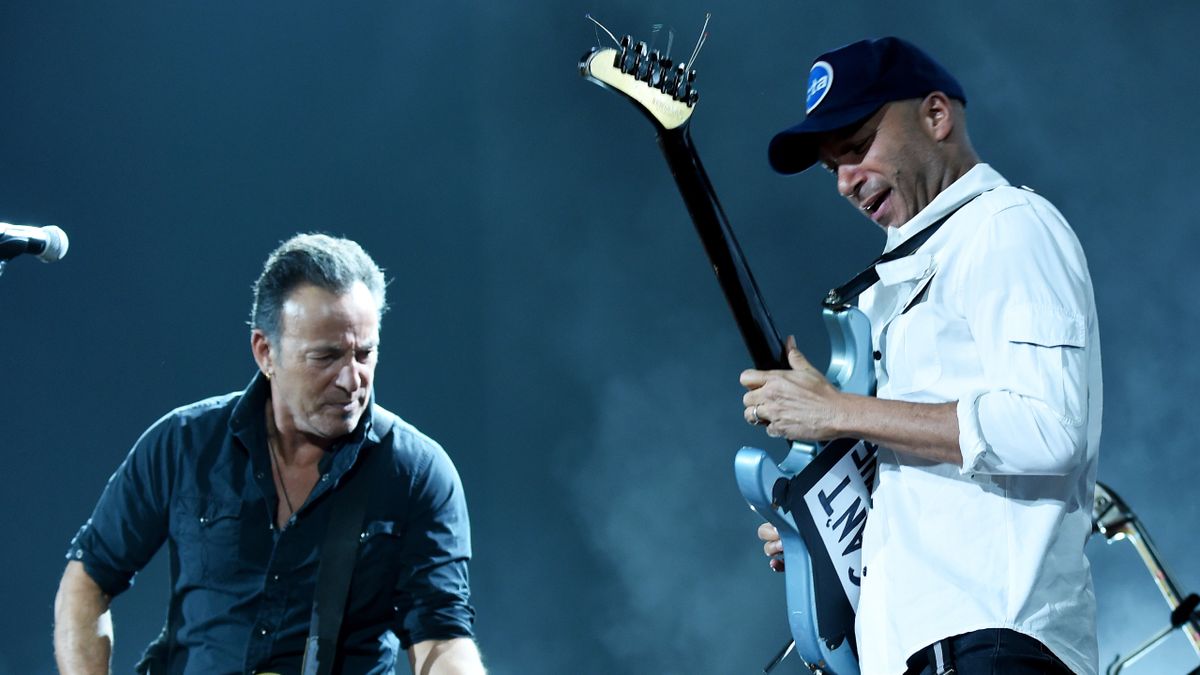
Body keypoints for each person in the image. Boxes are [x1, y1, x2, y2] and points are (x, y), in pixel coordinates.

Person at [741, 37, 1101, 675]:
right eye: (833, 169)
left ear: (936, 117)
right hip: (918, 650)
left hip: (993, 641)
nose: (847, 182)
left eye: (856, 148)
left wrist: (840, 411)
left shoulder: (1004, 224)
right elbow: (916, 488)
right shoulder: (890, 289)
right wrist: (817, 539)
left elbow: (1050, 429)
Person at [53, 234, 484, 674]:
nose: (352, 379)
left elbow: (443, 638)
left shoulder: (415, 473)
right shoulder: (182, 444)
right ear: (265, 352)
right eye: (327, 357)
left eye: (365, 354)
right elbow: (88, 579)